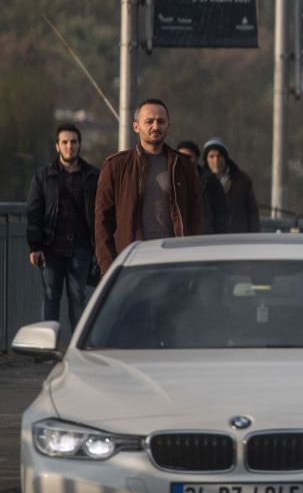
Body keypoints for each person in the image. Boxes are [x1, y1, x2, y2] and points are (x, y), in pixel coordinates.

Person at [95, 99, 203, 275]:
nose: (155, 127)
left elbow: (196, 216)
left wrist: (193, 259)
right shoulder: (115, 166)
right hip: (132, 259)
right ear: (136, 126)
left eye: (161, 122)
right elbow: (102, 222)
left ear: (168, 126)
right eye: (149, 121)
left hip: (174, 257)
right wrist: (109, 268)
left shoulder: (183, 166)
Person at [26, 123, 100, 327]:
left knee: (78, 298)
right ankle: (47, 348)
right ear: (57, 146)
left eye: (74, 142)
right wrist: (35, 246)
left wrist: (99, 246)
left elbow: (100, 213)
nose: (70, 146)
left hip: (81, 247)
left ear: (80, 145)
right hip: (51, 247)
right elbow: (34, 212)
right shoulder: (44, 176)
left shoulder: (92, 175)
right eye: (65, 142)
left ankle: (78, 348)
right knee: (51, 297)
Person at [203, 138, 260, 233]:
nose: (216, 160)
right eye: (211, 156)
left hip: (237, 237)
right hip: (210, 239)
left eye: (219, 156)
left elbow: (252, 213)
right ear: (206, 160)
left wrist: (254, 236)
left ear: (225, 158)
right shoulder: (201, 181)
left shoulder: (241, 180)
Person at [176, 140, 230, 234]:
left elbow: (221, 212)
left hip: (205, 238)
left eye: (189, 157)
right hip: (178, 238)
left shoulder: (210, 181)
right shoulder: (170, 180)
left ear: (196, 159)